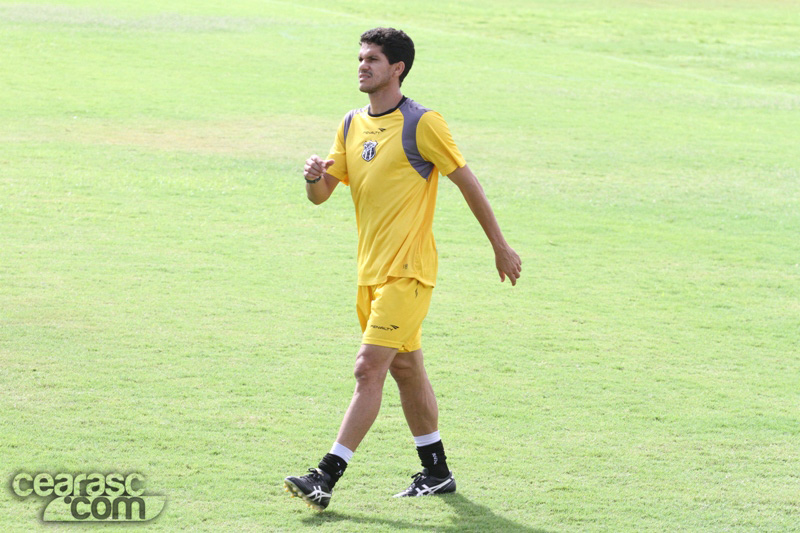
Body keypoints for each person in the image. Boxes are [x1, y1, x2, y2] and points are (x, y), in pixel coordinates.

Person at [284, 27, 521, 511]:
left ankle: (325, 476)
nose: (362, 65)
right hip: (369, 273)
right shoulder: (351, 124)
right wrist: (313, 177)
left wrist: (499, 245)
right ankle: (436, 472)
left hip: (409, 273)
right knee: (407, 370)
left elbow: (467, 182)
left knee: (368, 368)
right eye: (360, 58)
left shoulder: (422, 122)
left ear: (398, 68)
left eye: (372, 59)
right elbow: (323, 194)